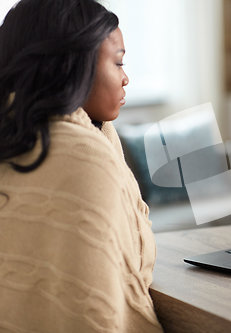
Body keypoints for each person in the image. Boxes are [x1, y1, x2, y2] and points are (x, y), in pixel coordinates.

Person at [0, 0, 163, 331]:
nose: (126, 77)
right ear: (71, 66)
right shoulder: (84, 159)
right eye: (118, 63)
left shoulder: (13, 131)